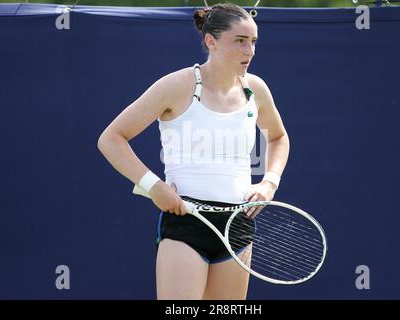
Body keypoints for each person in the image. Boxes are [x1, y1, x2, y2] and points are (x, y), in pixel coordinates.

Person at [97, 3, 289, 300]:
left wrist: (269, 183)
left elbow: (278, 137)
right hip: (185, 223)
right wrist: (154, 187)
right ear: (211, 41)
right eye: (239, 41)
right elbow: (111, 139)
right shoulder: (175, 85)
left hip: (238, 224)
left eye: (253, 42)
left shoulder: (257, 89)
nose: (249, 51)